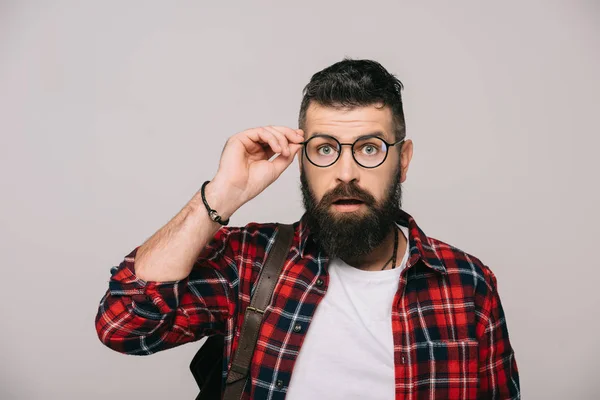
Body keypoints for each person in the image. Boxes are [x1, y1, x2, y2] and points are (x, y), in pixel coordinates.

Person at [95, 59, 520, 399]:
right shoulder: (252, 262)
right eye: (325, 149)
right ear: (301, 159)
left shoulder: (467, 284)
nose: (345, 173)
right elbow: (124, 324)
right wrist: (223, 195)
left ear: (403, 160)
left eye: (370, 148)